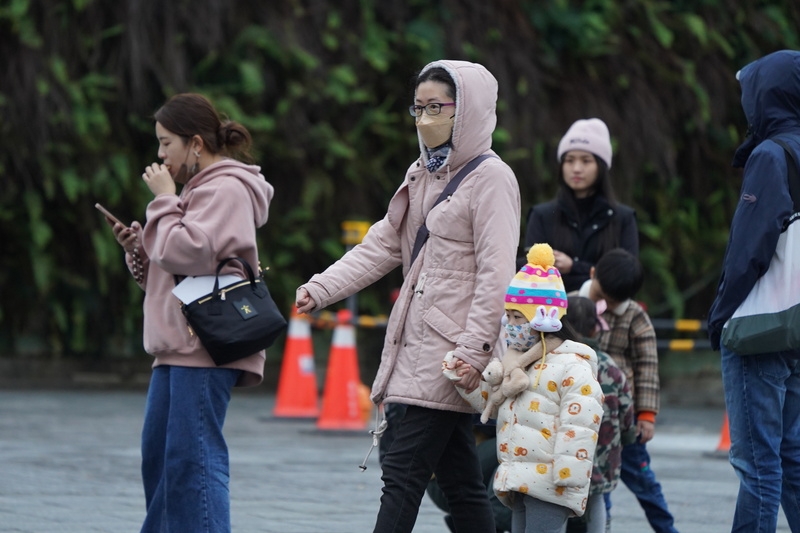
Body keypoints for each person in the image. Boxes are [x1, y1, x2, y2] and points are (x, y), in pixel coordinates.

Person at [295, 60, 521, 533]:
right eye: (417, 108)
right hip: (420, 350)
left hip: (451, 355)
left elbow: (497, 274)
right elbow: (382, 244)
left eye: (436, 107)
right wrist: (321, 289)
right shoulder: (421, 173)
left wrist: (475, 350)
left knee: (402, 473)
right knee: (459, 482)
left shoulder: (492, 179)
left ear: (468, 111)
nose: (424, 119)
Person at [105, 93, 274, 533]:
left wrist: (163, 201)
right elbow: (171, 278)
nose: (160, 155)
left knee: (193, 462)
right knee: (162, 460)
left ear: (195, 143)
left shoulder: (227, 188)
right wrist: (138, 249)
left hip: (203, 346)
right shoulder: (195, 191)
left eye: (166, 144)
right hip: (177, 345)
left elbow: (194, 253)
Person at [446, 243, 604, 533]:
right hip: (518, 476)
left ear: (544, 319)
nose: (510, 325)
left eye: (518, 318)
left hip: (552, 483)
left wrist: (567, 474)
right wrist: (463, 380)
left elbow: (581, 425)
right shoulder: (517, 362)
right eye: (508, 316)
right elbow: (493, 401)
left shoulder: (572, 365)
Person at [707, 49, 800, 533]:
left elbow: (749, 251)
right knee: (792, 460)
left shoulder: (771, 155)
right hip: (796, 326)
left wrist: (720, 317)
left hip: (759, 326)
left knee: (758, 465)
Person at [577, 248, 679, 533]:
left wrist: (646, 415)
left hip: (625, 420)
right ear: (592, 274)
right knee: (597, 483)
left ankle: (666, 528)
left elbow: (647, 365)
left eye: (613, 302)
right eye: (600, 297)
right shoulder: (573, 304)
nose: (605, 306)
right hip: (583, 417)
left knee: (644, 482)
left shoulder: (635, 318)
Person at [522, 118, 638, 292]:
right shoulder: (542, 215)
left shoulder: (623, 218)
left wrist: (574, 267)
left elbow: (629, 275)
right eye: (569, 160)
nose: (576, 168)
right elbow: (525, 271)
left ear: (601, 166)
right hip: (550, 315)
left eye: (586, 161)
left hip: (606, 314)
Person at [562, 296, 636, 533]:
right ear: (596, 327)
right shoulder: (609, 366)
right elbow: (626, 413)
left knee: (558, 503)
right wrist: (627, 437)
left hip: (565, 453)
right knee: (596, 501)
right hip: (603, 454)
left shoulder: (559, 362)